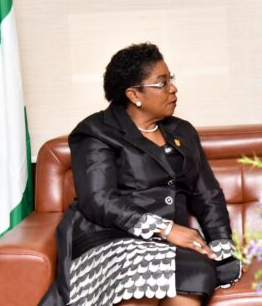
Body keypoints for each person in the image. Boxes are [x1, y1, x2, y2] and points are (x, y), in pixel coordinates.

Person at [40, 43, 239, 306]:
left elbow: (207, 194)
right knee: (138, 279)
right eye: (162, 83)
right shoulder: (95, 132)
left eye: (171, 79)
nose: (173, 88)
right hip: (112, 238)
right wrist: (164, 228)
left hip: (172, 246)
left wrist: (222, 245)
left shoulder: (183, 131)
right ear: (134, 94)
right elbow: (98, 200)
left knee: (190, 282)